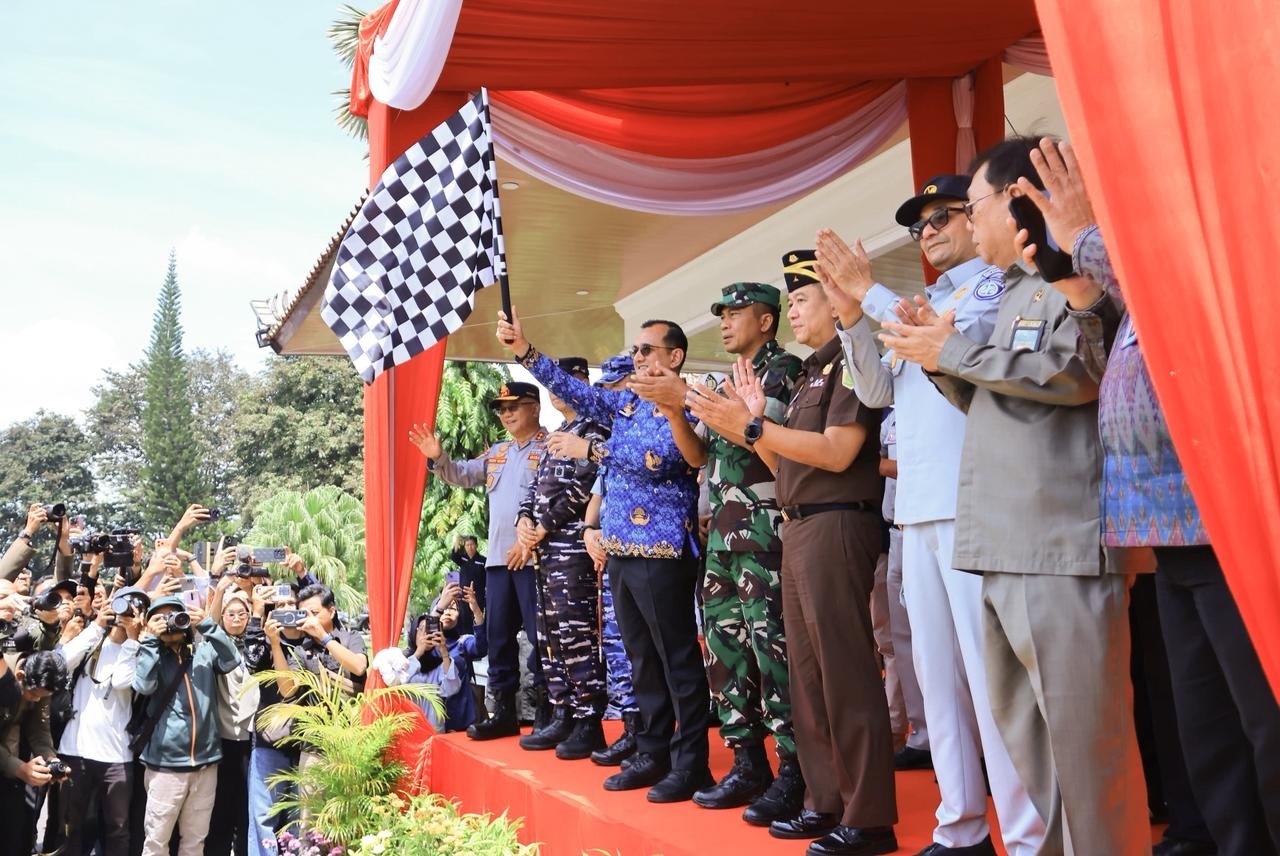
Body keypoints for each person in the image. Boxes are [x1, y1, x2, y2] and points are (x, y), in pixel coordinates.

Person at [880, 136, 1150, 855]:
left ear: (1017, 201)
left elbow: (1071, 373)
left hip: (1056, 542)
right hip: (1000, 544)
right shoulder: (1012, 291)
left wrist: (952, 352)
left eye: (973, 207)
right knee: (1033, 752)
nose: (966, 223)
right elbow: (1003, 400)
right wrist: (938, 360)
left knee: (1087, 757)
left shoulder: (1070, 281)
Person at [1020, 138, 1280, 856]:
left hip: (1228, 527)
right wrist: (1077, 278)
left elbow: (1185, 316)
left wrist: (1084, 236)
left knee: (1264, 725)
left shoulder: (1195, 262)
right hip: (1172, 537)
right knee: (1210, 730)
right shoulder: (1129, 291)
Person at [818, 176, 1044, 856]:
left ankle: (1030, 837)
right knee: (937, 684)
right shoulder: (925, 301)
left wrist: (872, 296)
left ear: (978, 219)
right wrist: (853, 321)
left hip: (973, 504)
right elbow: (879, 388)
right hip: (916, 510)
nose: (930, 231)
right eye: (919, 226)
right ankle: (962, 826)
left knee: (993, 681)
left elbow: (966, 355)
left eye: (943, 216)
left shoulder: (996, 287)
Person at [688, 251, 896, 856]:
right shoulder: (808, 374)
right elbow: (784, 468)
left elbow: (835, 454)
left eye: (803, 298)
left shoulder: (853, 367)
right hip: (798, 525)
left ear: (838, 306)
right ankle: (825, 801)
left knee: (846, 674)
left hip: (837, 524)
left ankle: (870, 816)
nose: (794, 309)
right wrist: (749, 424)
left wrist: (752, 429)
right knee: (806, 679)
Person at [498, 311, 713, 804]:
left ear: (674, 357)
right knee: (641, 660)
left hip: (663, 549)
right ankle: (652, 751)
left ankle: (691, 762)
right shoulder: (628, 405)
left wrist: (594, 453)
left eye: (645, 350)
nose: (635, 358)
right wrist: (525, 350)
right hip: (619, 549)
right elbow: (573, 391)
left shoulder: (688, 401)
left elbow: (674, 460)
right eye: (634, 351)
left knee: (676, 659)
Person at [682, 282, 805, 823]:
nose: (726, 322)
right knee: (724, 647)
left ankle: (796, 771)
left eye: (736, 313)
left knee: (772, 650)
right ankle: (747, 761)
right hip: (724, 540)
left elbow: (769, 437)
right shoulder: (730, 379)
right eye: (722, 313)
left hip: (766, 535)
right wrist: (676, 409)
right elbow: (703, 457)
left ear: (765, 321)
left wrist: (729, 411)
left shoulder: (785, 369)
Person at [409, 382, 549, 741]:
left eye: (513, 406)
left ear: (534, 407)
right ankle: (503, 712)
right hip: (499, 563)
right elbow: (459, 473)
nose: (506, 414)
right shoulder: (497, 453)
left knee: (541, 637)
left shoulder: (553, 447)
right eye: (501, 409)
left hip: (537, 559)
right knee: (498, 637)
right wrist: (437, 457)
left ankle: (549, 712)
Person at [516, 356, 611, 759]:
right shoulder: (560, 432)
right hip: (546, 551)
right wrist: (525, 517)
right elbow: (535, 485)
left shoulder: (595, 430)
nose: (557, 390)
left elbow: (587, 485)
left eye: (567, 381)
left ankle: (589, 718)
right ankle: (563, 711)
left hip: (572, 547)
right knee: (550, 635)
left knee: (576, 635)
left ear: (582, 382)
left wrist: (546, 524)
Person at [133, 595, 240, 856]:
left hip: (206, 764)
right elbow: (144, 686)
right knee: (157, 842)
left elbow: (231, 660)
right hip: (166, 766)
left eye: (174, 616)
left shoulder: (203, 650)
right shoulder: (152, 654)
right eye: (160, 618)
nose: (169, 623)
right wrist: (149, 640)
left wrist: (207, 624)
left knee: (195, 842)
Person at [56, 585, 145, 856]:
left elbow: (120, 682)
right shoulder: (92, 639)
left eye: (134, 608)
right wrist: (97, 624)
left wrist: (132, 639)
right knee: (72, 826)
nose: (126, 612)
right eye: (121, 605)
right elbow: (61, 662)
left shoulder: (141, 648)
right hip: (76, 750)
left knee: (118, 828)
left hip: (117, 755)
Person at [205, 583, 262, 856]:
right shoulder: (213, 647)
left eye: (242, 614)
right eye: (231, 614)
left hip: (250, 737)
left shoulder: (257, 646)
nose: (237, 618)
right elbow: (207, 624)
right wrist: (219, 593)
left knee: (245, 808)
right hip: (222, 737)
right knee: (220, 808)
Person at [0, 650, 69, 854]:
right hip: (10, 761)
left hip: (9, 761)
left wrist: (51, 759)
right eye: (32, 695)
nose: (36, 701)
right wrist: (19, 768)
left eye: (43, 697)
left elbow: (39, 730)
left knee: (15, 833)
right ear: (20, 676)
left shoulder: (39, 683)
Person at [448, 535, 486, 635]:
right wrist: (457, 541)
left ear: (476, 545)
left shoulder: (483, 561)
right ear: (464, 547)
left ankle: (477, 639)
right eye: (467, 545)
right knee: (464, 618)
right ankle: (465, 639)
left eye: (472, 544)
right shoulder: (462, 559)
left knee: (476, 618)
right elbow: (453, 556)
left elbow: (487, 579)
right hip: (463, 595)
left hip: (477, 596)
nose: (470, 547)